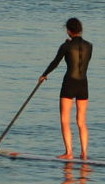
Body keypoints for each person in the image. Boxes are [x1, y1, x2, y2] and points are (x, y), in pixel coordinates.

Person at [39, 17, 93, 161]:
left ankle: (69, 152)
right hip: (83, 85)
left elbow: (55, 62)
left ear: (69, 31)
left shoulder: (66, 46)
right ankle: (84, 154)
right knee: (81, 122)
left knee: (65, 119)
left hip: (69, 84)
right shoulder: (90, 46)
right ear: (80, 29)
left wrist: (44, 75)